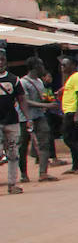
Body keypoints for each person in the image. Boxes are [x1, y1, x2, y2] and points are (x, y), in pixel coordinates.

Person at [18, 57, 59, 184]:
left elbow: (40, 98)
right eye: (41, 65)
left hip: (39, 116)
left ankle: (43, 172)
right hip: (25, 118)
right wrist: (46, 106)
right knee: (22, 147)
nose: (43, 68)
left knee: (44, 143)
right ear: (35, 66)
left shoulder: (39, 82)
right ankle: (24, 174)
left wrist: (47, 101)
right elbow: (25, 101)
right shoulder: (23, 82)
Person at [1, 42, 22, 194]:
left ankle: (12, 184)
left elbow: (22, 100)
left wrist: (27, 119)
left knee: (13, 154)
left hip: (12, 122)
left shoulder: (14, 80)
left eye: (2, 59)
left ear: (6, 61)